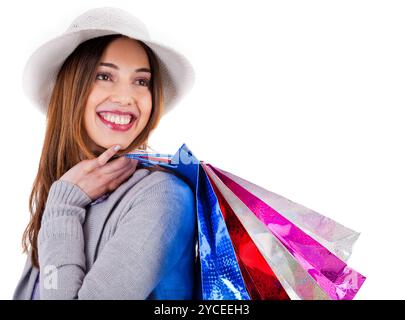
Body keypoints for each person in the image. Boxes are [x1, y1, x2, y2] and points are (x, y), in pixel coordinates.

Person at [12, 7, 197, 300]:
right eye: (104, 76)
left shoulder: (162, 196)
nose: (126, 97)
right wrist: (62, 203)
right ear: (71, 88)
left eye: (141, 81)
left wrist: (62, 207)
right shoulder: (69, 193)